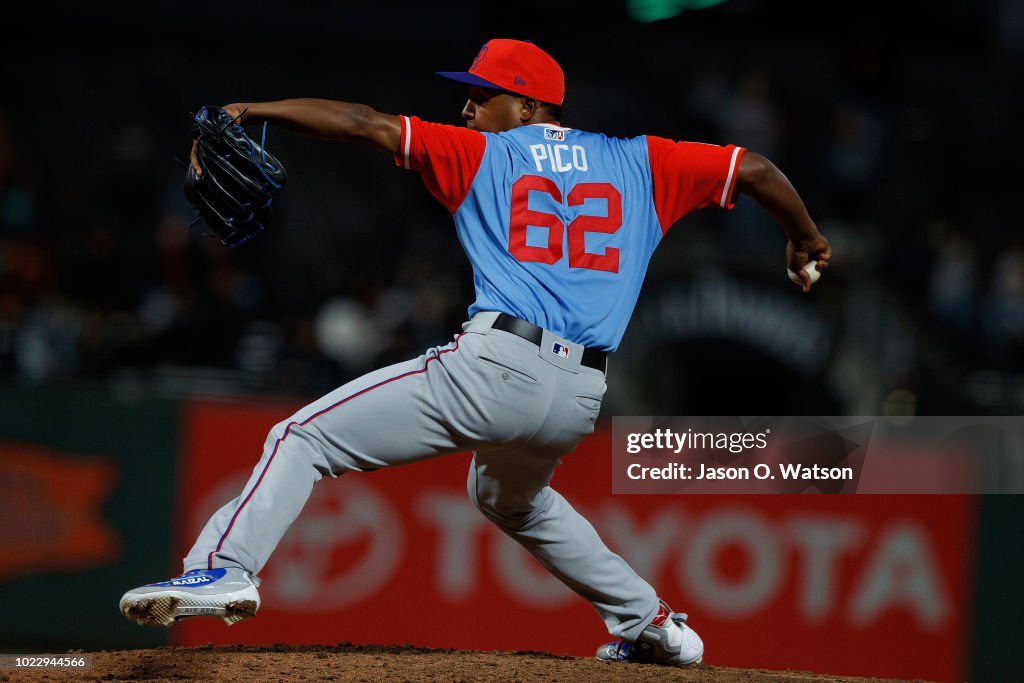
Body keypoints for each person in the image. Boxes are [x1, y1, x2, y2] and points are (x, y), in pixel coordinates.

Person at [119, 38, 831, 667]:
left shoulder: (484, 152)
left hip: (495, 367)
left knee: (301, 435)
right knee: (507, 496)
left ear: (526, 107)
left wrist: (258, 106)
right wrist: (804, 237)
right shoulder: (643, 161)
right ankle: (653, 625)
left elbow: (364, 124)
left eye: (481, 95)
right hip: (578, 395)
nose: (466, 109)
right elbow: (759, 169)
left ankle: (223, 566)